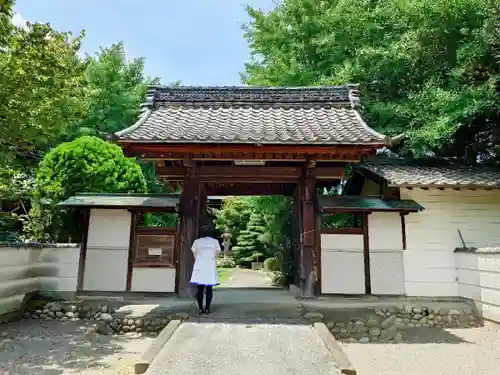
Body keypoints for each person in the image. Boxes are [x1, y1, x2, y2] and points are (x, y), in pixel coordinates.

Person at [190, 224, 221, 314]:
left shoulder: (197, 242)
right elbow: (217, 254)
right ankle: (207, 308)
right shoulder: (215, 242)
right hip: (210, 266)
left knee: (199, 288)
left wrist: (200, 260)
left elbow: (194, 253)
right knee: (209, 288)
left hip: (199, 266)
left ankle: (200, 308)